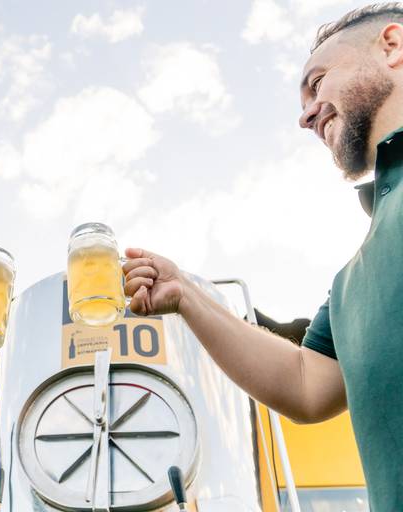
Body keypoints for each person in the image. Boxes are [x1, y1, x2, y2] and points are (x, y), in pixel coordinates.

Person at [123, 4, 403, 510]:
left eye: (317, 82)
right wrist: (187, 296)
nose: (306, 113)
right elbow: (305, 383)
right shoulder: (354, 279)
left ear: (392, 46)